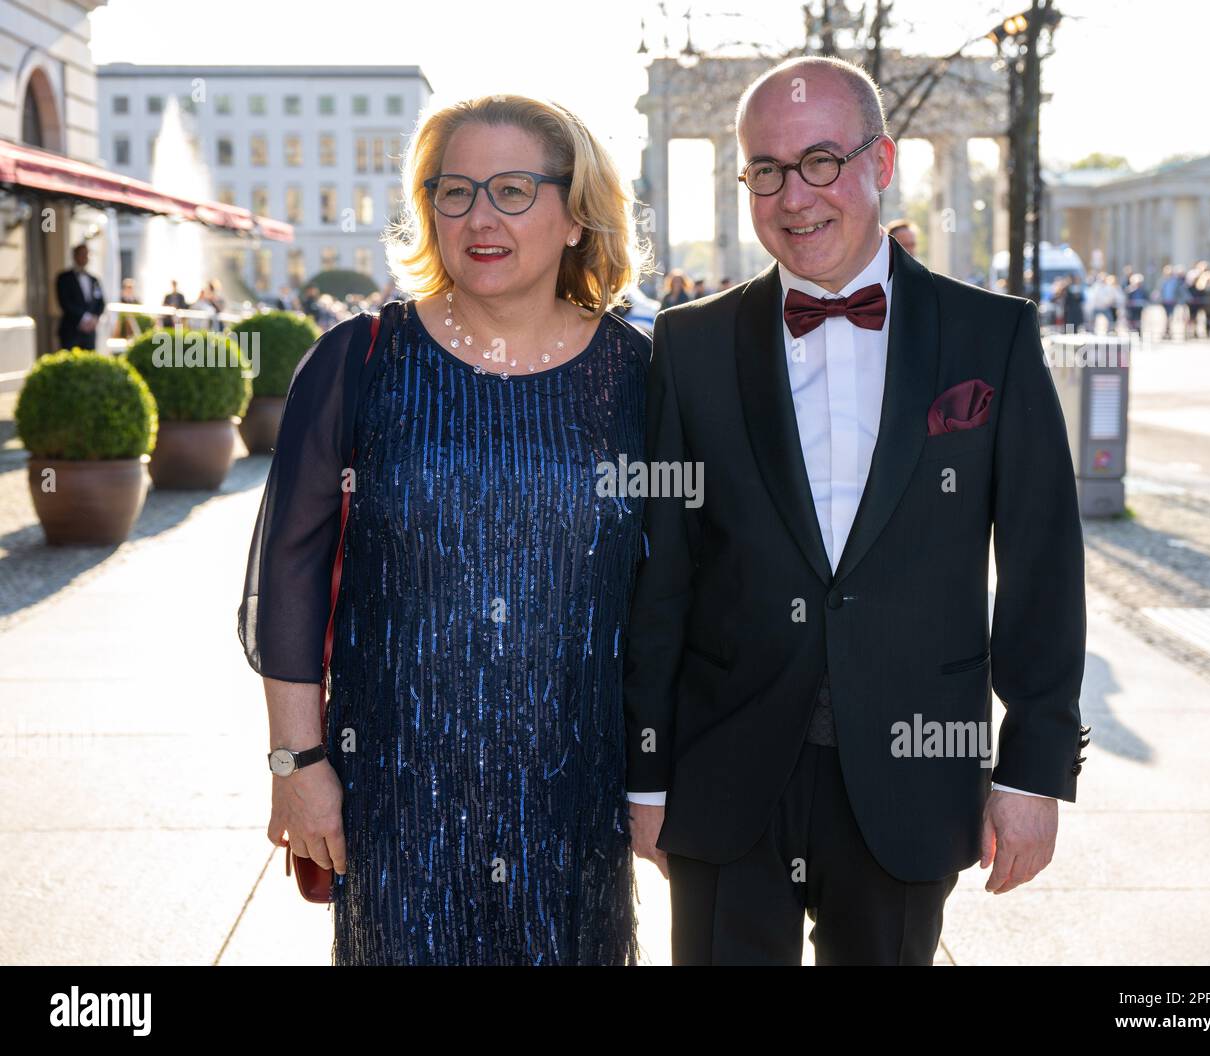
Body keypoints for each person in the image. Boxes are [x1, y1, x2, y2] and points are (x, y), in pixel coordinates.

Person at [623, 55, 1088, 966]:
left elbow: (1042, 564)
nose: (794, 197)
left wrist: (1035, 770)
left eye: (822, 160)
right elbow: (663, 571)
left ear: (880, 164)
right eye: (766, 170)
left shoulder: (992, 337)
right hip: (724, 771)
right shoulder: (688, 344)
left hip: (915, 771)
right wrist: (645, 770)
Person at [237, 93, 652, 965]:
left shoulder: (641, 376)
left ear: (577, 215)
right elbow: (290, 576)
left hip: (574, 796)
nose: (478, 217)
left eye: (511, 189)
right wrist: (296, 765)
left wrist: (661, 775)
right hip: (392, 797)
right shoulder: (359, 358)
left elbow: (680, 593)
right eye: (453, 191)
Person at [54, 243, 105, 352]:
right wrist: (84, 318)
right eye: (82, 254)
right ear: (75, 256)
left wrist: (94, 318)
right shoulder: (64, 278)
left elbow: (100, 302)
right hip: (71, 330)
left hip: (90, 332)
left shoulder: (94, 280)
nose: (85, 257)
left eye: (87, 254)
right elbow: (65, 302)